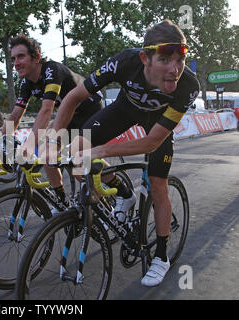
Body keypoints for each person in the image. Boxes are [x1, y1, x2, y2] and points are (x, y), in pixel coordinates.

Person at [51, 19, 200, 287]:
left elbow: (152, 142)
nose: (175, 69)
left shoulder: (188, 85)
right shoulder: (123, 62)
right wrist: (52, 139)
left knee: (158, 187)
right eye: (165, 60)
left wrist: (99, 150)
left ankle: (162, 256)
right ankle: (123, 193)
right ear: (145, 58)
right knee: (77, 147)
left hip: (156, 124)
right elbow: (74, 97)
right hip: (123, 110)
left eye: (179, 60)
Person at [2, 35, 104, 204]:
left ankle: (113, 199)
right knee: (46, 153)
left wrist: (28, 145)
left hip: (91, 111)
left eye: (21, 56)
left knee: (79, 163)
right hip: (70, 115)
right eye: (13, 58)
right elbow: (15, 116)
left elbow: (47, 110)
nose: (16, 63)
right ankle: (61, 201)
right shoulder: (26, 83)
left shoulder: (52, 70)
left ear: (36, 57)